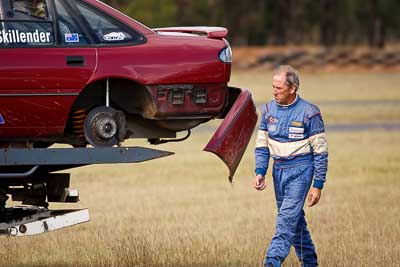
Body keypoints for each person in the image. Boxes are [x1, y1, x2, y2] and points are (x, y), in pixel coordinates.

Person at [254, 65, 328, 267]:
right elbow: (262, 145)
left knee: (285, 222)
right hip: (278, 171)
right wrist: (260, 171)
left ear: (293, 88)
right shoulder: (267, 110)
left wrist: (317, 184)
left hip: (302, 171)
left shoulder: (310, 113)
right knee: (295, 221)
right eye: (273, 87)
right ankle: (310, 263)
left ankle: (271, 262)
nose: (274, 91)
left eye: (278, 88)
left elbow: (321, 152)